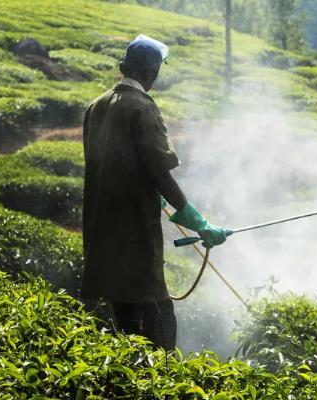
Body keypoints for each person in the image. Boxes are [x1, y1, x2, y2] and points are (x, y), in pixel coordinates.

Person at [81, 34, 231, 351]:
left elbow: (113, 164)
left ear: (124, 67)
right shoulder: (142, 107)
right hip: (134, 231)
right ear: (151, 75)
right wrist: (198, 221)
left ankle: (130, 380)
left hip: (102, 230)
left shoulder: (96, 107)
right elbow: (160, 173)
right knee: (160, 312)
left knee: (125, 314)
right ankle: (162, 383)